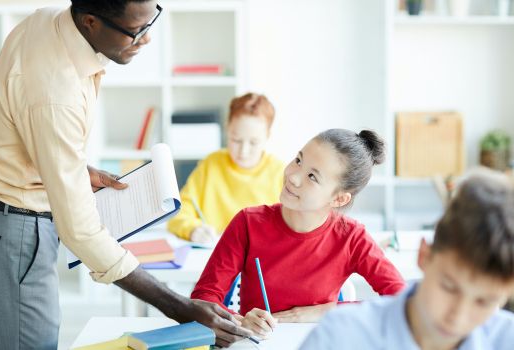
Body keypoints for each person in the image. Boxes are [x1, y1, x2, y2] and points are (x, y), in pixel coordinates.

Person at [0, 1, 250, 349]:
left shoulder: (47, 21)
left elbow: (25, 125)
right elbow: (80, 231)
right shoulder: (57, 91)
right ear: (90, 22)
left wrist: (72, 170)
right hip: (16, 233)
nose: (145, 40)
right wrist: (179, 307)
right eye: (136, 31)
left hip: (13, 225)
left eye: (151, 21)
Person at [191, 129, 406, 339]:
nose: (293, 176)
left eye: (312, 176)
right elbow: (203, 298)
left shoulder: (352, 237)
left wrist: (322, 311)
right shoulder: (248, 223)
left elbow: (401, 302)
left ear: (339, 199)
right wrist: (239, 321)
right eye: (298, 160)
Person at [299, 168, 514, 349]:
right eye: (449, 287)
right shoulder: (340, 337)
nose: (457, 317)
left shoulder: (506, 340)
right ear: (424, 256)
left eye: (484, 302)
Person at [167, 93, 285, 244]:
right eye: (236, 140)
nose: (243, 151)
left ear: (267, 136)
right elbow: (178, 212)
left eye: (254, 142)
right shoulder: (211, 165)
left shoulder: (280, 173)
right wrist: (193, 229)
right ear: (227, 129)